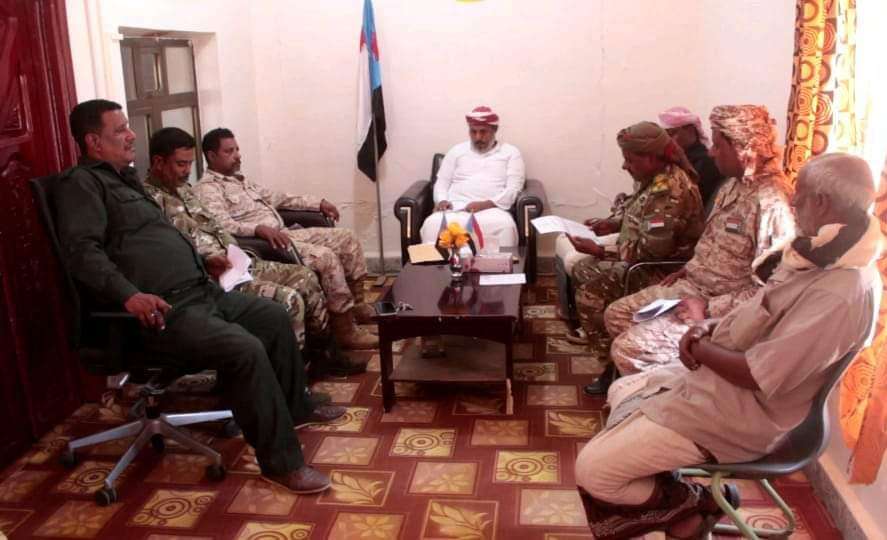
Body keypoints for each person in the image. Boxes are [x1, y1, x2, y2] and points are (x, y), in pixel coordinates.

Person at [575, 152, 882, 540]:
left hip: (742, 414)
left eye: (800, 194)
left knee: (593, 472)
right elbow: (761, 314)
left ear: (821, 202)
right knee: (623, 389)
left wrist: (700, 348)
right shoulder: (820, 254)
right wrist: (709, 327)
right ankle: (680, 506)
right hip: (718, 385)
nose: (793, 201)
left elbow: (758, 374)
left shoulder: (839, 292)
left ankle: (695, 506)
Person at [56, 99, 342, 493]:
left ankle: (297, 408)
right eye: (120, 129)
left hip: (200, 290)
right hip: (161, 311)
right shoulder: (81, 185)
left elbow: (161, 238)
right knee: (244, 348)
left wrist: (205, 260)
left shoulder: (126, 181)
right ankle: (281, 464)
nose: (131, 135)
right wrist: (129, 296)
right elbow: (82, 253)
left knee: (272, 316)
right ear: (93, 141)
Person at [143, 127, 365, 377]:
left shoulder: (186, 190)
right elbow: (178, 246)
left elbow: (216, 226)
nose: (186, 171)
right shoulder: (153, 201)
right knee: (291, 296)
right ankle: (294, 373)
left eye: (189, 164)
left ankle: (325, 353)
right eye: (181, 164)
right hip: (213, 274)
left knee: (306, 277)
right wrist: (217, 256)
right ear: (158, 162)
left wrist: (235, 252)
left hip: (237, 260)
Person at [605, 105, 796, 376]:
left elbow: (773, 291)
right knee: (617, 315)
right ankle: (670, 377)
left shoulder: (772, 204)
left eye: (718, 145)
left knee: (628, 349)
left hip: (721, 309)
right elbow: (716, 244)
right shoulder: (732, 185)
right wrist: (690, 267)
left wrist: (708, 308)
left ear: (744, 148)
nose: (711, 152)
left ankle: (681, 390)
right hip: (693, 286)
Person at [193, 128, 377, 350]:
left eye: (237, 149)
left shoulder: (239, 180)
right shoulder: (208, 189)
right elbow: (220, 225)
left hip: (286, 233)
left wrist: (317, 203)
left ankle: (358, 307)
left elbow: (277, 197)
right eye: (229, 151)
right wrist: (257, 229)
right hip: (269, 244)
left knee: (347, 238)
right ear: (211, 156)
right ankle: (345, 331)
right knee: (325, 257)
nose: (237, 155)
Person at [564, 122, 704, 386]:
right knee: (584, 269)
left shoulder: (669, 190)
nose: (624, 166)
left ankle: (611, 365)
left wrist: (601, 250)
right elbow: (639, 212)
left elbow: (652, 251)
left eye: (630, 160)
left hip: (660, 270)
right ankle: (609, 350)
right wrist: (612, 224)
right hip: (645, 260)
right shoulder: (654, 178)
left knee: (590, 288)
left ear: (651, 157)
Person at [418, 106, 526, 248]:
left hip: (493, 211)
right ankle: (438, 263)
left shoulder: (510, 153)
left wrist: (485, 204)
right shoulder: (456, 151)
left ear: (494, 130)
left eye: (483, 132)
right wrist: (442, 200)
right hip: (455, 208)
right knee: (432, 224)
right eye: (473, 132)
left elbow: (513, 189)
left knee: (506, 226)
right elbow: (442, 182)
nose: (478, 137)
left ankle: (500, 263)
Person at [659, 106, 725, 213]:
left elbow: (696, 200)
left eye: (672, 133)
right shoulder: (670, 161)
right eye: (666, 135)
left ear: (690, 130)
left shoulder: (707, 162)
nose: (669, 140)